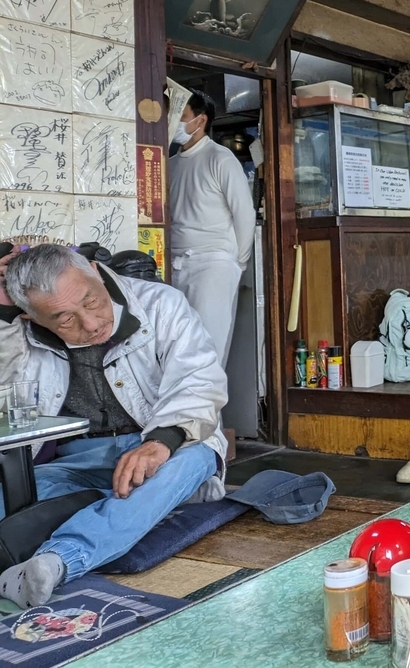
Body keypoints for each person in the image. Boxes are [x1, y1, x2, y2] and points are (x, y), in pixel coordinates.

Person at [0, 244, 228, 607]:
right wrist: (3, 319)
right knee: (8, 492)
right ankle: (151, 502)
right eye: (64, 319)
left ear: (95, 270)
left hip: (169, 446)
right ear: (32, 317)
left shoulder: (161, 304)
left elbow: (199, 380)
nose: (90, 324)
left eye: (90, 301)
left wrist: (160, 442)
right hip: (78, 463)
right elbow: (5, 403)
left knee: (195, 459)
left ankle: (60, 559)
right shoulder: (22, 331)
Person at [168, 90, 256, 365]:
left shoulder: (221, 158)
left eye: (181, 117)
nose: (175, 124)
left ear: (200, 120)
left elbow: (244, 214)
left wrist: (237, 263)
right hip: (175, 263)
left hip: (213, 264)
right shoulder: (169, 164)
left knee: (208, 347)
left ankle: (209, 410)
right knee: (177, 346)